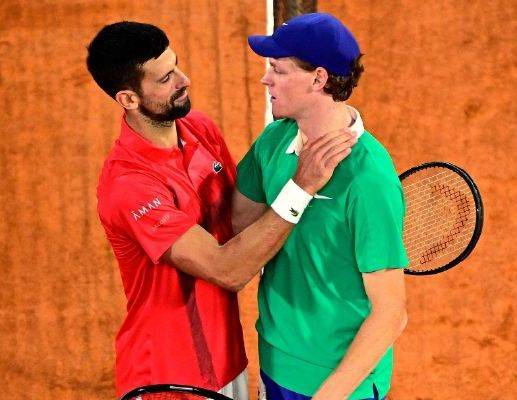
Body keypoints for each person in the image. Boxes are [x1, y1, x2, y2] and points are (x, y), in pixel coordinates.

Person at [86, 21, 357, 399]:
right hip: (169, 376)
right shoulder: (130, 186)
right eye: (165, 78)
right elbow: (227, 269)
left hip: (227, 359)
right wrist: (302, 186)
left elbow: (240, 220)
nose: (184, 80)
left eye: (176, 66)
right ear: (129, 99)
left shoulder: (199, 128)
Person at [232, 13, 409, 400]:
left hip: (338, 382)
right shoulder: (273, 141)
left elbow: (391, 314)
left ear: (318, 79)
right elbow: (239, 226)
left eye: (278, 70)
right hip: (276, 361)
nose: (265, 80)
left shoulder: (368, 180)